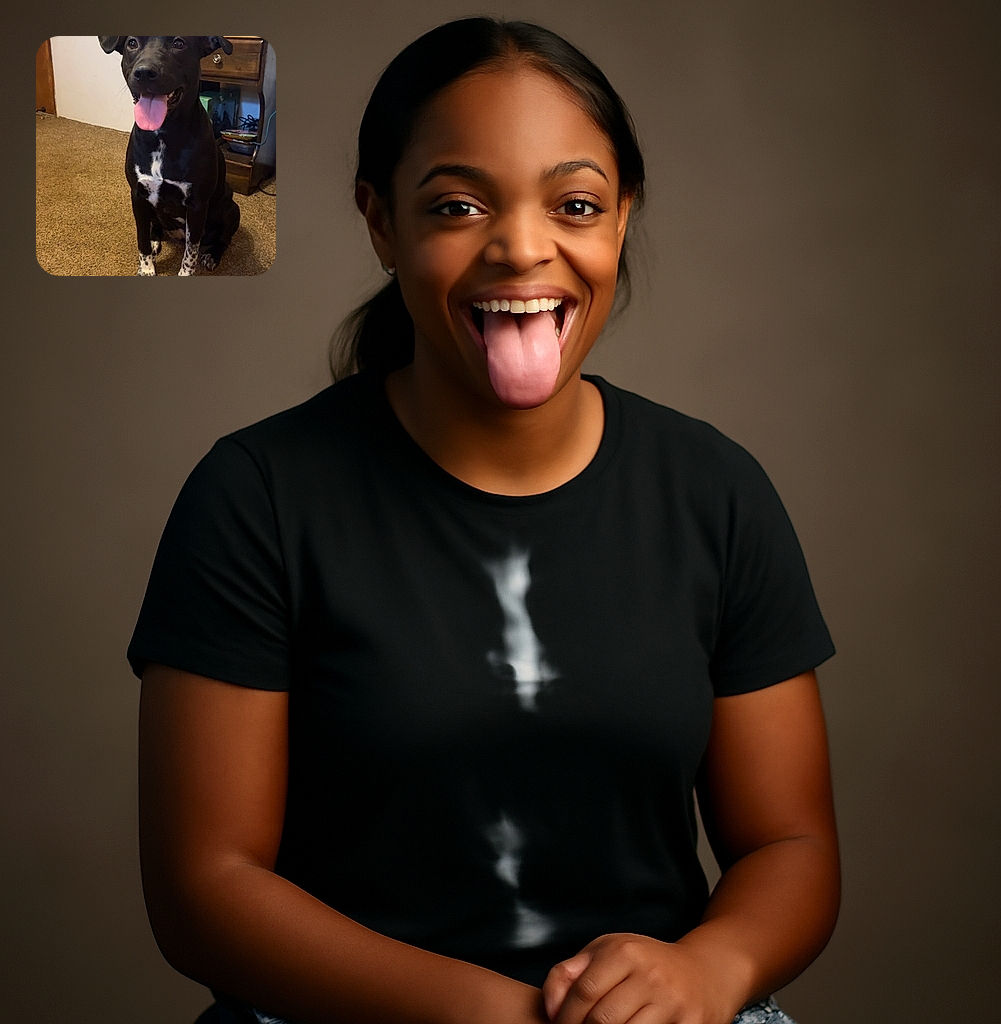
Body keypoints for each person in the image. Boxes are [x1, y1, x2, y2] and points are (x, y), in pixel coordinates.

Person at [128, 18, 839, 1024]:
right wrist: (498, 1016)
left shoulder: (714, 492)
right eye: (457, 205)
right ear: (380, 221)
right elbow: (206, 890)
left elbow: (790, 847)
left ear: (621, 218)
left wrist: (709, 970)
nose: (520, 246)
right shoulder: (256, 498)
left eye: (575, 203)